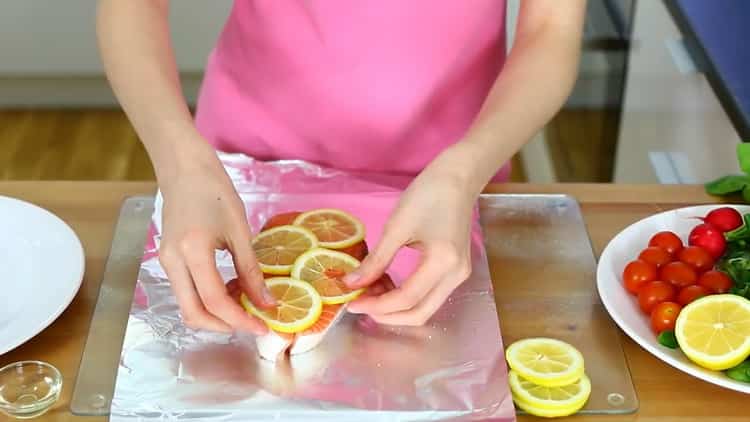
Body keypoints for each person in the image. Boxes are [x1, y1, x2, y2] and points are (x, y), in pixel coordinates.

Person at [97, 0, 586, 334]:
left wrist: (465, 168)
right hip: (244, 164)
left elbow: (551, 29)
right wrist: (180, 165)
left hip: (447, 183)